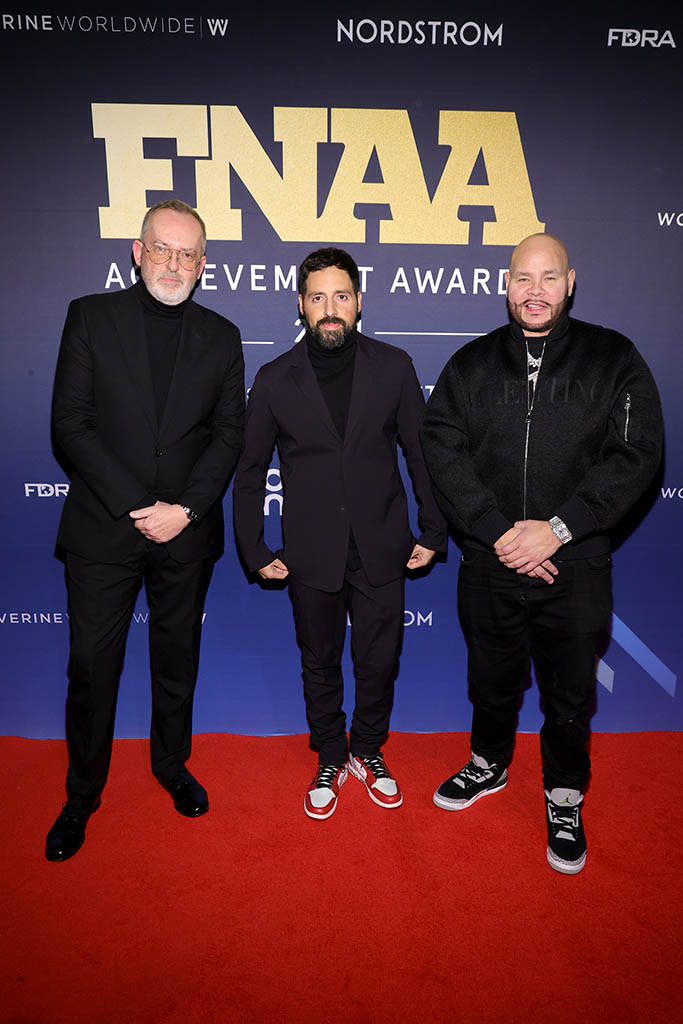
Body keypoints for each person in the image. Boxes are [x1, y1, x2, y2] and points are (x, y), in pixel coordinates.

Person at [420, 233, 663, 874]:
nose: (535, 290)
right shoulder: (470, 366)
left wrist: (557, 528)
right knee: (491, 680)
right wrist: (499, 529)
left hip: (576, 560)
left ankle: (563, 793)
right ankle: (489, 763)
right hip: (489, 559)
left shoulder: (615, 359)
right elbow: (440, 449)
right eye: (523, 278)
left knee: (570, 691)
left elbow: (637, 454)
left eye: (548, 277)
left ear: (570, 281)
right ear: (505, 285)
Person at [46, 200, 245, 861]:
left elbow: (228, 435)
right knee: (91, 670)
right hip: (105, 529)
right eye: (162, 249)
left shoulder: (221, 335)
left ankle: (170, 766)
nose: (173, 263)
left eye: (188, 254)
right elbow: (70, 425)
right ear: (137, 251)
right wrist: (142, 506)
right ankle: (82, 794)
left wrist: (183, 510)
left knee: (176, 663)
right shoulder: (89, 318)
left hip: (185, 533)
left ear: (203, 265)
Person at [233, 247, 446, 819]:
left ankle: (369, 751)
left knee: (379, 661)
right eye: (318, 297)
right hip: (309, 552)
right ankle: (330, 752)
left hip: (384, 544)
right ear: (300, 305)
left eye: (341, 296)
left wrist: (434, 527)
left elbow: (422, 455)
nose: (331, 309)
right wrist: (254, 549)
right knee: (319, 660)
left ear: (359, 303)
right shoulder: (275, 378)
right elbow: (250, 471)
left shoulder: (395, 366)